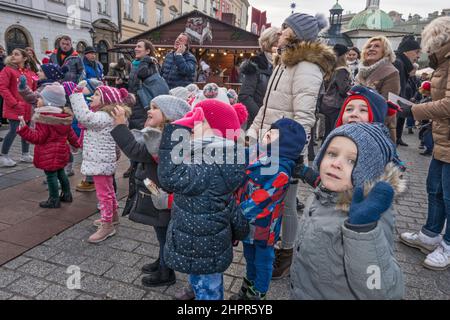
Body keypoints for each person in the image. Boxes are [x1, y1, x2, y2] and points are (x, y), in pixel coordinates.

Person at [248, 12, 336, 279]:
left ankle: (286, 253)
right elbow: (267, 107)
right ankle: (271, 245)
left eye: (285, 27)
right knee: (269, 199)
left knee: (286, 204)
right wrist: (252, 134)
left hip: (284, 149)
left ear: (296, 33)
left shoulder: (307, 66)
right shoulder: (284, 61)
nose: (280, 30)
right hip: (266, 143)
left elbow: (304, 117)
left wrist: (294, 154)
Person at [290, 123, 405, 300]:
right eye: (332, 154)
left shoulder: (370, 217)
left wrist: (362, 232)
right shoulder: (323, 193)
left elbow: (382, 292)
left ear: (369, 172)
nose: (336, 163)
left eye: (352, 160)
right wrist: (306, 173)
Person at [157, 100, 249, 300]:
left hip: (203, 243)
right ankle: (194, 289)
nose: (191, 127)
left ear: (216, 132)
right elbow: (228, 203)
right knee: (204, 277)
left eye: (198, 122)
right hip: (205, 240)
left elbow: (170, 177)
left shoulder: (208, 165)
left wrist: (176, 131)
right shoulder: (218, 158)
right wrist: (240, 228)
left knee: (208, 287)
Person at [111, 95, 190, 287]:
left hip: (163, 194)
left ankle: (166, 272)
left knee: (164, 234)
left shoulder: (164, 139)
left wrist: (121, 126)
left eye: (155, 108)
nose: (149, 110)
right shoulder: (159, 133)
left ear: (169, 116)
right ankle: (161, 261)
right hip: (156, 191)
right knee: (160, 231)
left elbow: (136, 151)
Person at [232, 118, 307, 300]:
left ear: (284, 144)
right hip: (246, 222)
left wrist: (237, 213)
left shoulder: (280, 170)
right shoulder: (259, 152)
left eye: (272, 134)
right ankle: (248, 287)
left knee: (263, 260)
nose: (266, 135)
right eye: (269, 131)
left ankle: (258, 294)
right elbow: (238, 156)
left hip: (264, 225)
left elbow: (262, 199)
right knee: (249, 256)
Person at [398, 17, 450, 270]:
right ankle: (430, 234)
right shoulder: (443, 62)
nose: (426, 50)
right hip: (444, 139)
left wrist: (415, 110)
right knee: (435, 189)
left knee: (449, 195)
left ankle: (448, 245)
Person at [69, 85, 131, 243]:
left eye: (97, 95)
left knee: (103, 194)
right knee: (109, 191)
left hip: (100, 161)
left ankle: (107, 225)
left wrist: (76, 95)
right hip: (103, 160)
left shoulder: (104, 116)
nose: (92, 97)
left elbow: (84, 117)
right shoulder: (107, 115)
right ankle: (113, 217)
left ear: (106, 100)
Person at [17, 83, 80, 208]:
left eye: (40, 98)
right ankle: (67, 194)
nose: (38, 100)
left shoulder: (45, 119)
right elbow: (71, 135)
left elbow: (38, 138)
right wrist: (76, 144)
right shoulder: (64, 117)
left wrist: (24, 130)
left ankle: (53, 199)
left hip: (48, 153)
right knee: (61, 172)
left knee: (51, 176)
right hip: (62, 152)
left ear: (49, 103)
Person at [356, 36, 400, 142]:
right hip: (357, 123)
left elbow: (388, 107)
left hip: (378, 128)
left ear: (385, 51)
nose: (371, 49)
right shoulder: (361, 72)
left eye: (376, 46)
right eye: (368, 47)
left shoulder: (391, 72)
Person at [0, 49, 37, 167]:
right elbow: (3, 88)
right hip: (15, 107)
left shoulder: (29, 72)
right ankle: (4, 155)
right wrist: (14, 103)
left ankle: (25, 154)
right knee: (14, 130)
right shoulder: (7, 70)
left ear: (25, 58)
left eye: (17, 54)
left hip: (27, 108)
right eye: (13, 54)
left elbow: (33, 89)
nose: (13, 56)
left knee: (26, 130)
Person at [239, 27, 279, 128]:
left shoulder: (284, 65)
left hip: (277, 123)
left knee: (274, 144)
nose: (281, 44)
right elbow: (245, 96)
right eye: (277, 42)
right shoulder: (255, 64)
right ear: (270, 43)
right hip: (257, 124)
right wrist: (261, 117)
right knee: (253, 144)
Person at [320, 44, 352, 140]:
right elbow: (343, 90)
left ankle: (323, 150)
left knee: (328, 131)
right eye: (347, 54)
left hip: (327, 103)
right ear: (343, 55)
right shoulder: (342, 70)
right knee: (333, 132)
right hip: (335, 104)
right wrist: (353, 88)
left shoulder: (331, 68)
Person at [394, 36, 421, 146]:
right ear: (407, 51)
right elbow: (395, 92)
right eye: (416, 52)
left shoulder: (402, 63)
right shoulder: (398, 63)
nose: (418, 56)